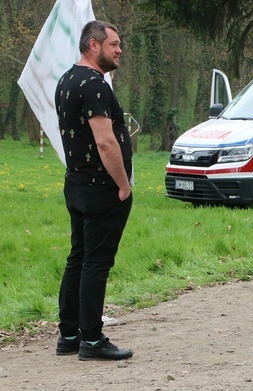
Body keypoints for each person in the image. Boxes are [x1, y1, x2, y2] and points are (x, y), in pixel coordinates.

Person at [54, 20, 133, 360]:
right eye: (114, 44)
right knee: (95, 263)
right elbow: (105, 141)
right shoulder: (95, 85)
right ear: (93, 46)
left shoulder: (67, 80)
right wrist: (123, 185)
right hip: (102, 188)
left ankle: (69, 334)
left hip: (76, 182)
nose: (119, 50)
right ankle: (92, 339)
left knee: (78, 258)